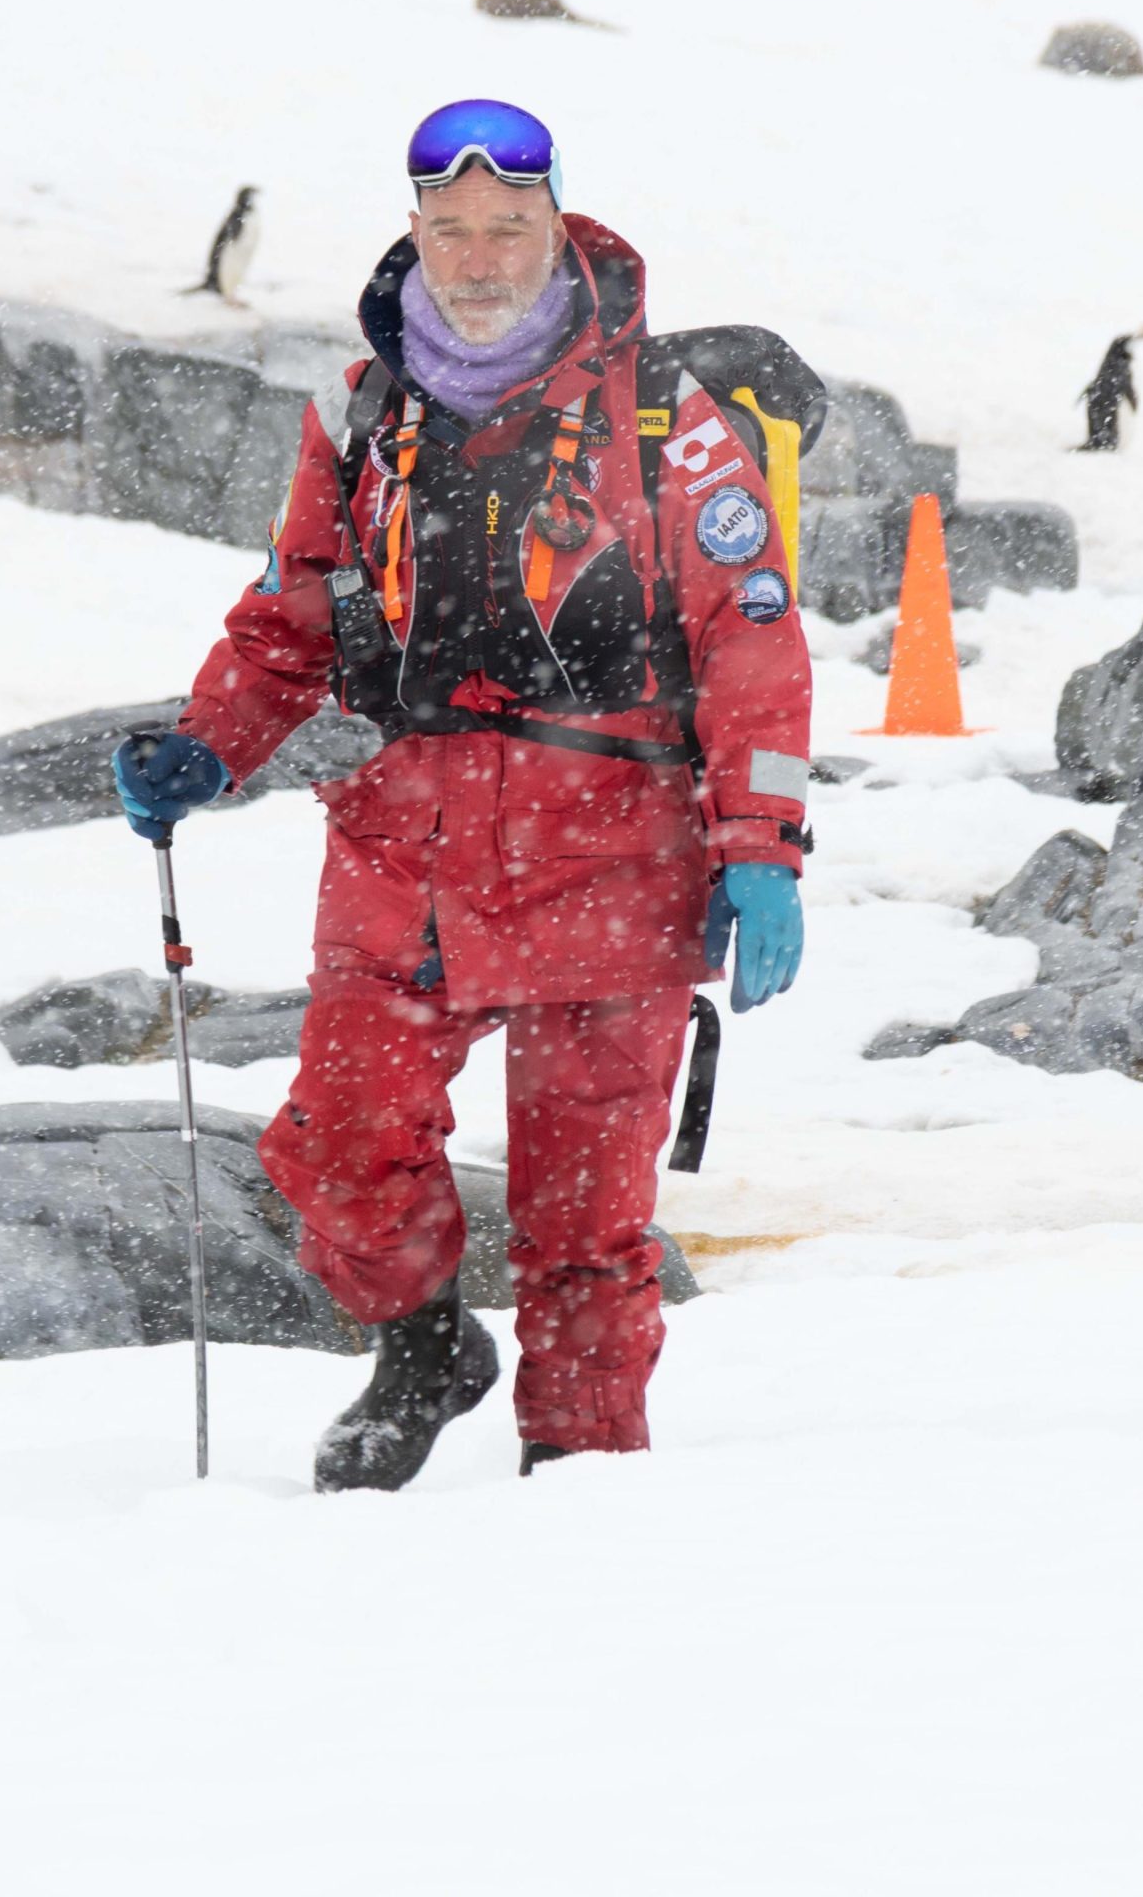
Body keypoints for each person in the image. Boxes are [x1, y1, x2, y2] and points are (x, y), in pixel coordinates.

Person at [112, 99, 812, 1490]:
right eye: (451, 230)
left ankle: (583, 1472)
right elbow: (294, 609)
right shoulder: (362, 410)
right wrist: (211, 742)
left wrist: (766, 847)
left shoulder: (671, 422)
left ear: (556, 226)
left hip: (619, 857)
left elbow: (753, 639)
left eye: (507, 227)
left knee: (588, 1224)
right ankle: (424, 1345)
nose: (480, 258)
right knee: (343, 1141)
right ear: (414, 231)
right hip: (406, 844)